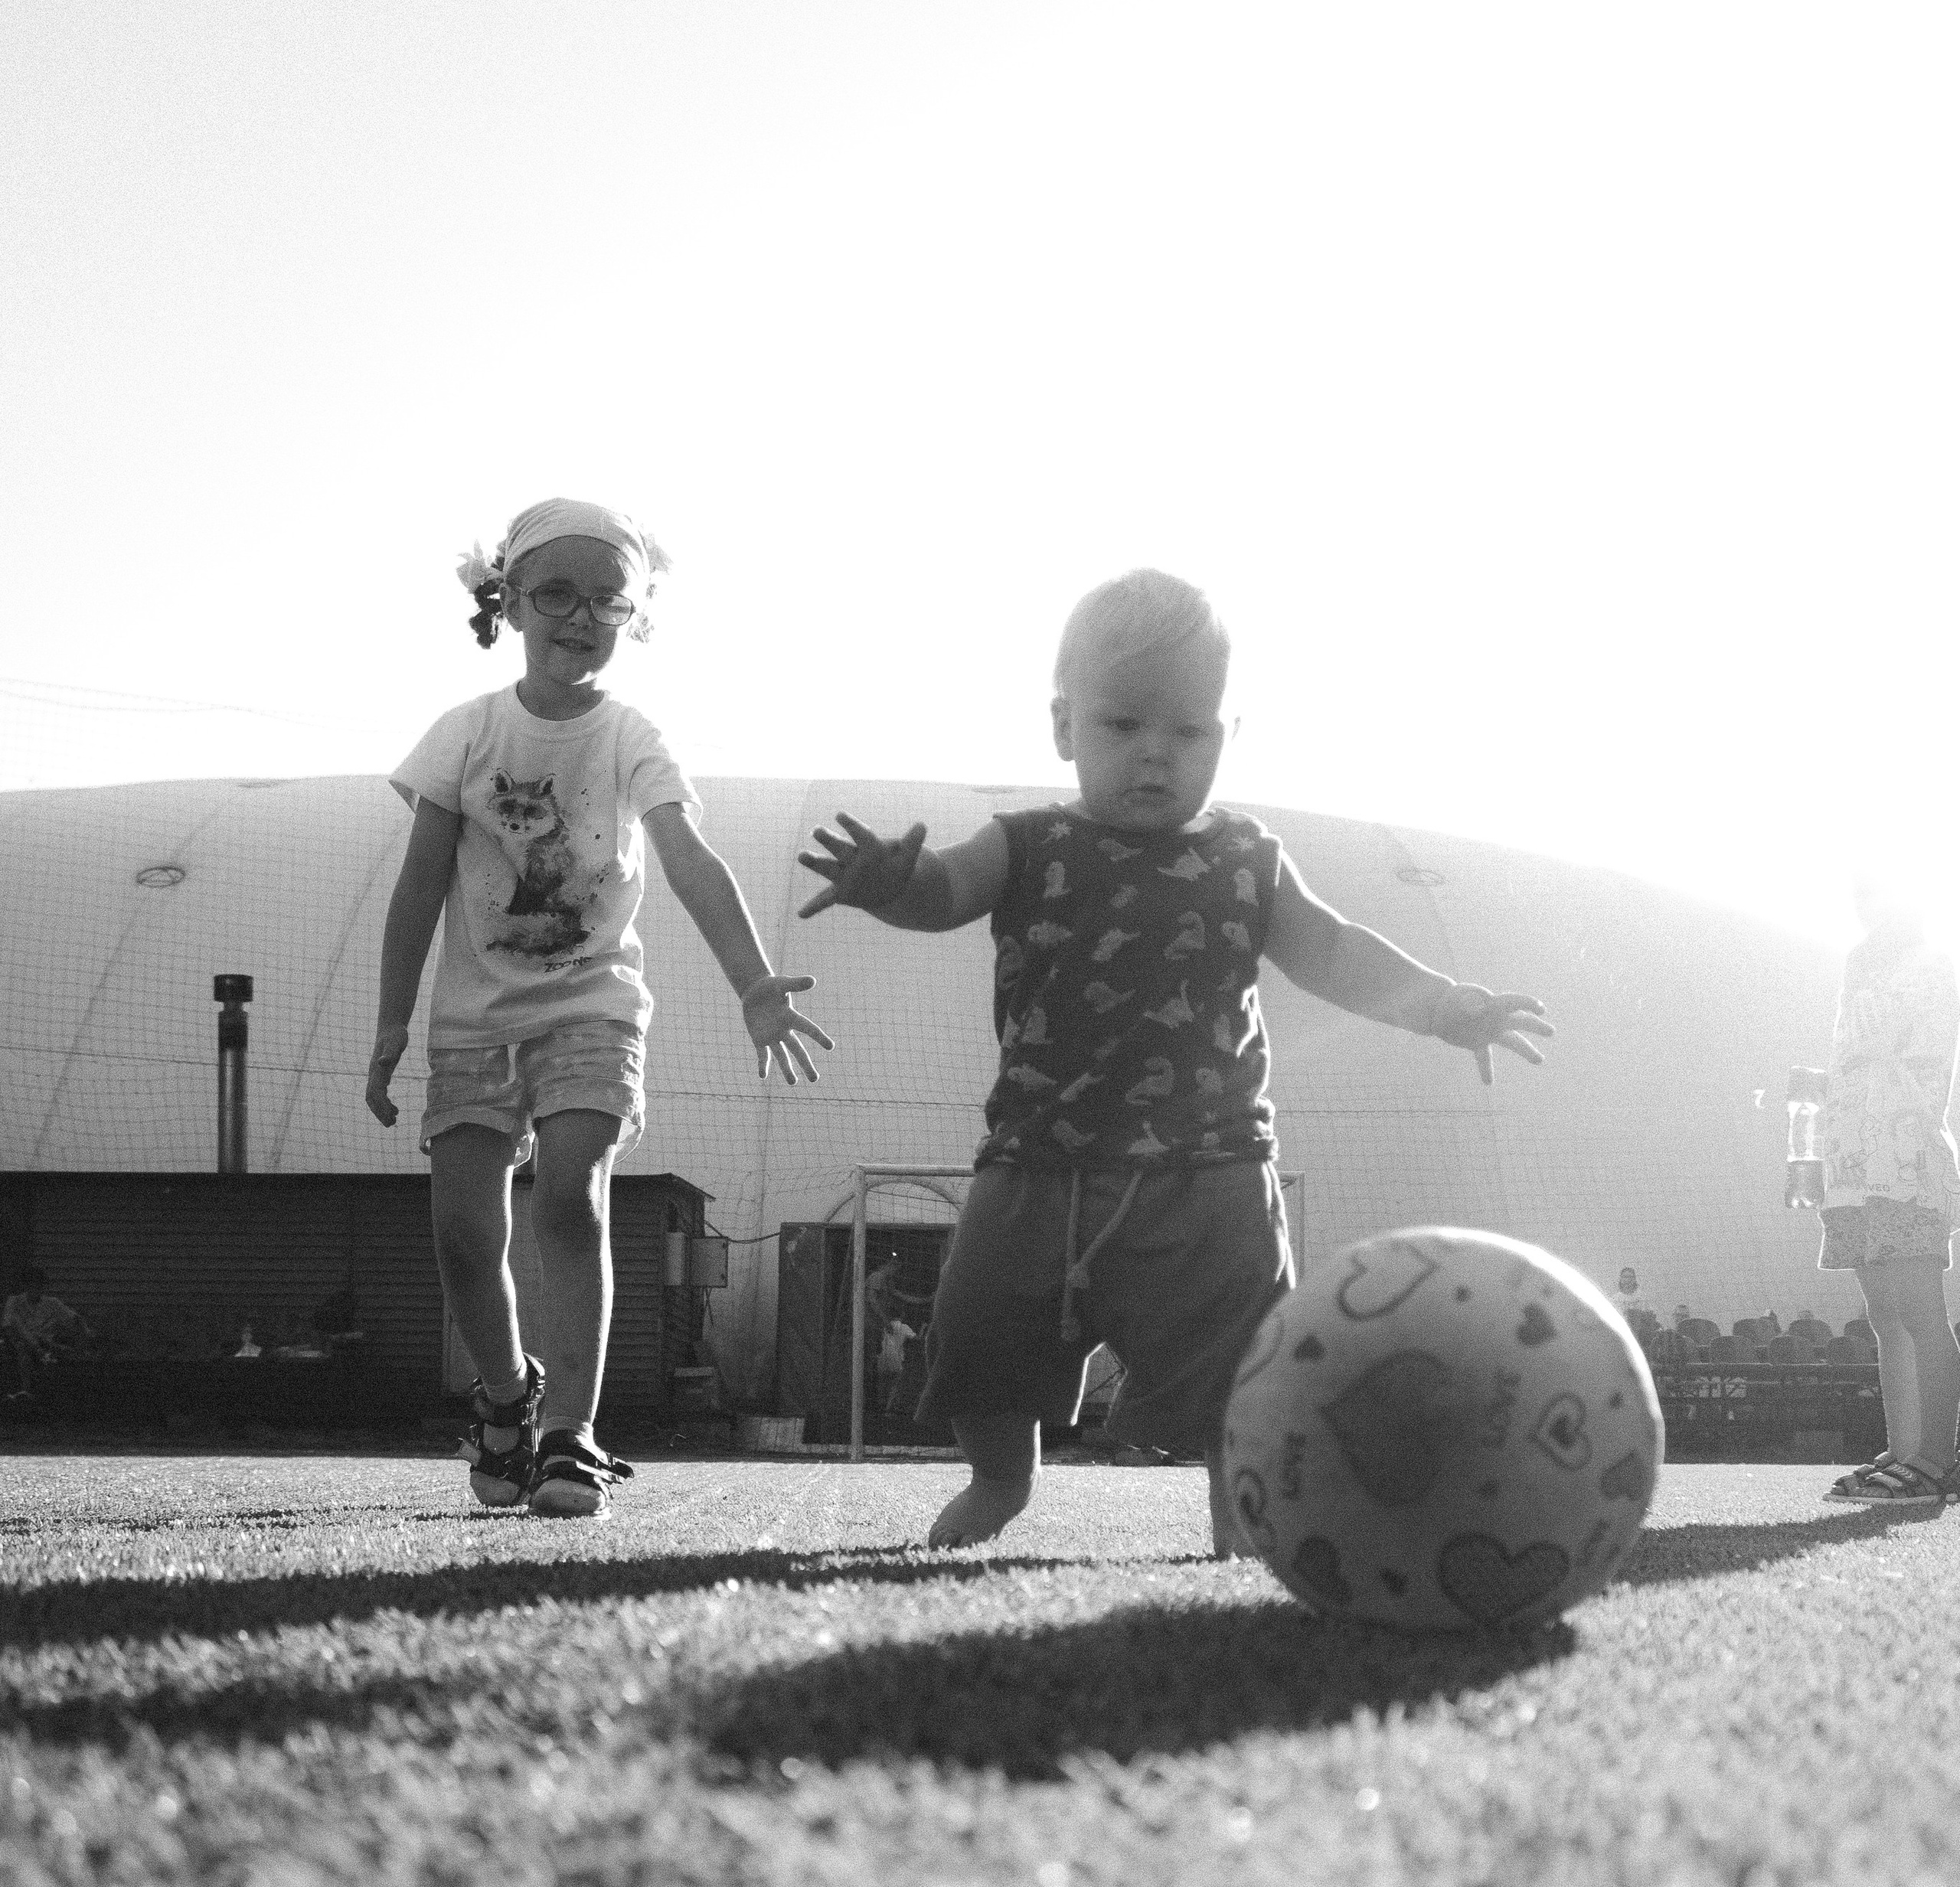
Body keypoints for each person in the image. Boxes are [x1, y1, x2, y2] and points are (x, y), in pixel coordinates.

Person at [796, 566, 1550, 1551]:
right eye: (1123, 726)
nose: (1155, 754)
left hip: (1210, 1176)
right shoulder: (1025, 844)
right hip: (1036, 1162)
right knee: (978, 1336)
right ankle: (999, 1480)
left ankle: (1234, 1530)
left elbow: (1333, 952)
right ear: (1064, 726)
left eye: (1188, 731)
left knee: (1241, 1374)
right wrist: (890, 884)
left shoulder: (1247, 860)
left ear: (1230, 735)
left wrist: (1449, 1006)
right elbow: (943, 892)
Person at [368, 496, 831, 1516]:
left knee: (573, 1196)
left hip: (592, 1006)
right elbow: (417, 886)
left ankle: (571, 1434)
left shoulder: (632, 737)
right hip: (472, 1022)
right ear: (513, 603)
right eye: (556, 594)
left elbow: (690, 858)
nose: (579, 617)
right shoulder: (466, 734)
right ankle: (506, 1399)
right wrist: (390, 1022)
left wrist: (756, 983)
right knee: (461, 1235)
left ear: (634, 616)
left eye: (606, 601)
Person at [1812, 871, 1960, 1504]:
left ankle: (1934, 1461)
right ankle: (1901, 1453)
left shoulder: (1933, 965)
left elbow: (1897, 1048)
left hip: (1904, 1155)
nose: (1868, 901)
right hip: (1852, 1162)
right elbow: (1847, 1053)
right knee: (1884, 1313)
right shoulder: (1856, 965)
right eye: (1862, 889)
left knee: (1921, 1308)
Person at [2, 1268, 92, 1399]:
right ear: (25, 1286)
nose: (35, 1288)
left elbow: (75, 1319)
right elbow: (8, 1326)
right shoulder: (14, 1301)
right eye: (31, 1284)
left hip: (45, 1344)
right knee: (23, 1341)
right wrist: (17, 1343)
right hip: (19, 1344)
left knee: (43, 1346)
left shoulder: (52, 1303)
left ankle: (35, 1391)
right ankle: (26, 1390)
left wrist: (84, 1339)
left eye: (38, 1284)